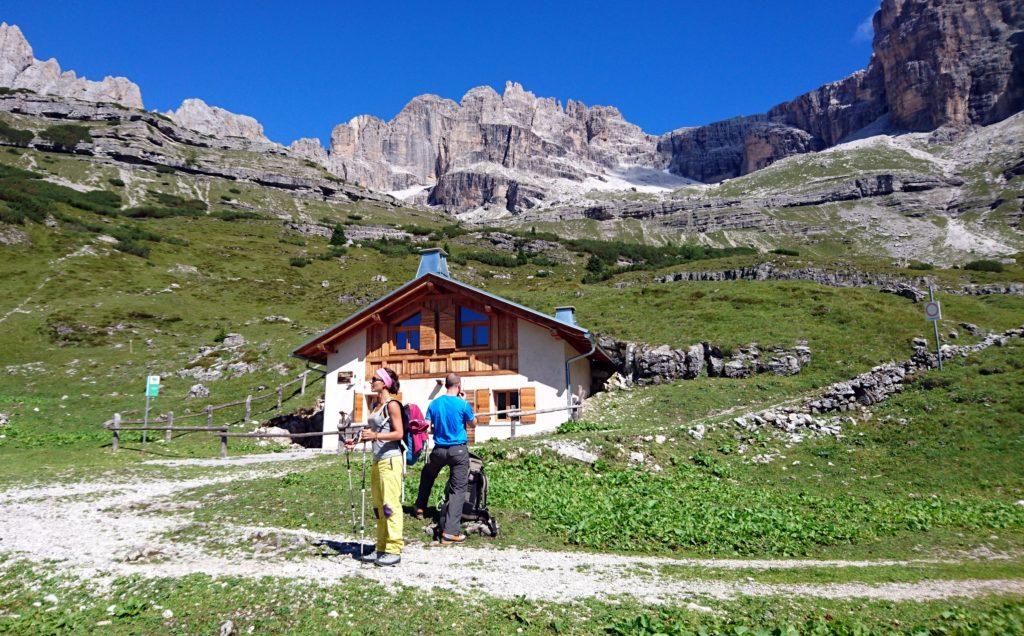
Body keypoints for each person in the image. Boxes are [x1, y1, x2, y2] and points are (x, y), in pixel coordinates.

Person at [348, 367, 405, 566]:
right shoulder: (375, 405)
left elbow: (399, 434)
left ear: (385, 383)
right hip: (377, 460)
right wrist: (360, 439)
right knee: (379, 507)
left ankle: (394, 549)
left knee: (390, 505)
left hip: (390, 460)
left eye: (375, 379)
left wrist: (376, 436)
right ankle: (380, 548)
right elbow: (373, 430)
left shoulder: (393, 405)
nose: (371, 382)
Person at [415, 372, 475, 544]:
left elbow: (426, 425)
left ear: (445, 385)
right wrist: (464, 402)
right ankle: (450, 532)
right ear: (459, 386)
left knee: (427, 474)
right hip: (459, 451)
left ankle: (420, 507)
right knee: (457, 490)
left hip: (439, 450)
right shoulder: (462, 404)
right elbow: (473, 423)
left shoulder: (434, 403)